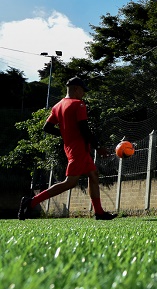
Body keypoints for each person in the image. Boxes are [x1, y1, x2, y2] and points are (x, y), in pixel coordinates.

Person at [18, 77, 117, 221]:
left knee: (94, 175)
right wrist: (98, 147)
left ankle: (99, 212)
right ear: (76, 89)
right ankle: (31, 202)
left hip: (71, 147)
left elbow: (47, 127)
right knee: (70, 182)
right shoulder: (78, 104)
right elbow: (84, 128)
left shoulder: (57, 106)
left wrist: (65, 134)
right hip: (78, 149)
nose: (83, 94)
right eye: (83, 91)